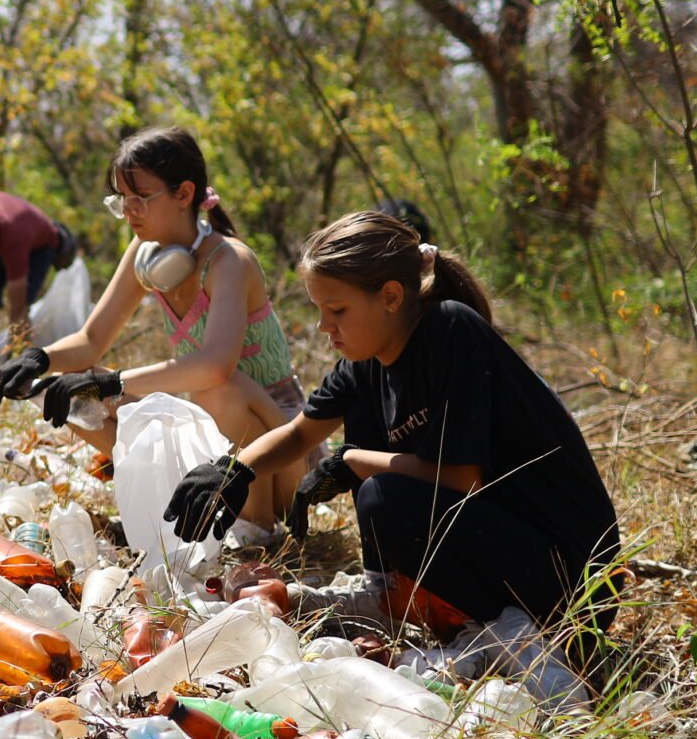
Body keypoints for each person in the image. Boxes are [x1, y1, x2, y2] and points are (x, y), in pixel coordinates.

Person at [164, 208, 623, 641]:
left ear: (390, 297)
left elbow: (460, 477)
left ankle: (501, 631)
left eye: (338, 310)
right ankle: (390, 596)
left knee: (384, 494)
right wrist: (235, 470)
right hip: (501, 546)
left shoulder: (450, 332)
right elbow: (301, 432)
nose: (325, 326)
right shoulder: (368, 362)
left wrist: (352, 460)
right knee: (376, 476)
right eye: (320, 310)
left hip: (571, 578)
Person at [0, 126, 307, 545]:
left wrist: (115, 381)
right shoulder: (144, 255)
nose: (129, 210)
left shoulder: (228, 261)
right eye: (122, 200)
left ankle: (256, 531)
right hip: (214, 435)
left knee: (219, 389)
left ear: (184, 193)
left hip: (279, 454)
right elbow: (90, 340)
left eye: (140, 198)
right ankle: (180, 509)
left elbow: (215, 366)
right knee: (66, 391)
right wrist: (39, 360)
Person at [0, 192, 70, 347]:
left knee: (21, 310)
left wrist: (11, 353)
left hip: (39, 248)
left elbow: (17, 303)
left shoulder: (13, 235)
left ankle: (21, 357)